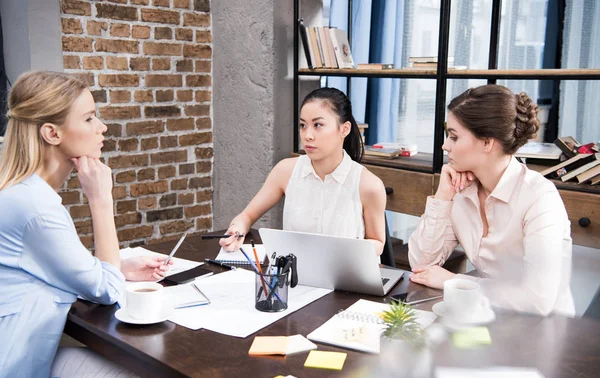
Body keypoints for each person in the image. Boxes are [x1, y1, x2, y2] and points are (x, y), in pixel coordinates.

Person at [0, 71, 170, 378]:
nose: (102, 127)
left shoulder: (22, 192)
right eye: (90, 118)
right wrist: (101, 200)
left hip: (21, 350)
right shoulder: (36, 208)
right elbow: (105, 290)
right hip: (13, 371)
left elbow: (48, 267)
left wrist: (118, 265)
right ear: (52, 133)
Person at [408, 84, 574, 317]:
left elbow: (539, 299)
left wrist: (456, 281)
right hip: (488, 317)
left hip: (544, 329)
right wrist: (443, 196)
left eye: (454, 136)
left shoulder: (539, 198)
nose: (445, 145)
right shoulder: (460, 190)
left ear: (487, 142)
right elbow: (421, 264)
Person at [219, 87, 387, 255]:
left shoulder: (369, 185)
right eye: (303, 125)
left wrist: (341, 252)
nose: (307, 135)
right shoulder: (285, 171)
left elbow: (378, 243)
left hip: (346, 277)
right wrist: (236, 229)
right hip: (296, 277)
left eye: (318, 125)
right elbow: (247, 216)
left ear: (344, 129)